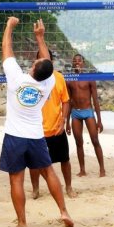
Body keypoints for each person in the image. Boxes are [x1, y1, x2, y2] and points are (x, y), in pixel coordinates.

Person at [0, 16, 73, 227]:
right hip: (36, 137)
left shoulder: (17, 78)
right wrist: (40, 37)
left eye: (34, 62)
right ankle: (63, 211)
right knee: (49, 171)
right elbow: (47, 61)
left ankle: (22, 222)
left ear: (32, 68)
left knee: (16, 179)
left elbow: (6, 49)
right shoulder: (49, 82)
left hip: (15, 137)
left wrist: (9, 26)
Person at [29, 51, 77, 199]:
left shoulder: (59, 77)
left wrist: (63, 121)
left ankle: (68, 187)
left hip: (56, 128)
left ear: (51, 61)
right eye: (40, 59)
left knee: (64, 160)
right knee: (34, 163)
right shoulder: (31, 79)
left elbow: (66, 101)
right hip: (37, 129)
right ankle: (35, 189)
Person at [66, 53, 106, 177]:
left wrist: (99, 120)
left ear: (83, 63)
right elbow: (67, 101)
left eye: (79, 60)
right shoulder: (69, 80)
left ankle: (102, 169)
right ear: (73, 63)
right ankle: (82, 170)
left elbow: (95, 100)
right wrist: (66, 122)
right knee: (79, 143)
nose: (77, 62)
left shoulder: (89, 78)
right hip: (75, 113)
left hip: (88, 111)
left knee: (95, 140)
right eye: (75, 61)